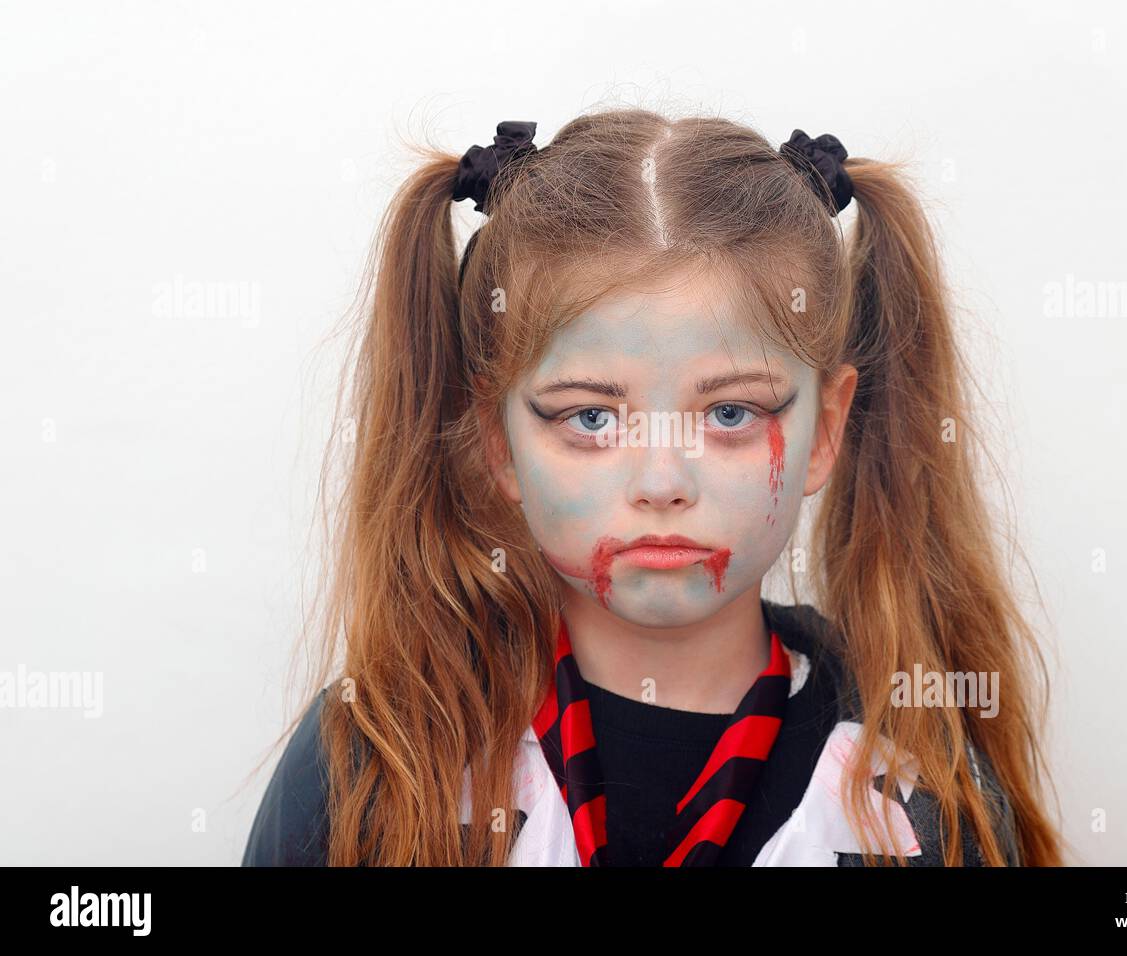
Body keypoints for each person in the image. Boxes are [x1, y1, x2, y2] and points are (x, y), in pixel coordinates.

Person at [241, 109, 1063, 867]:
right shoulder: (382, 753)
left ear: (828, 431)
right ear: (499, 440)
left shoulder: (919, 790)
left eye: (732, 412)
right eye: (592, 420)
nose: (662, 481)